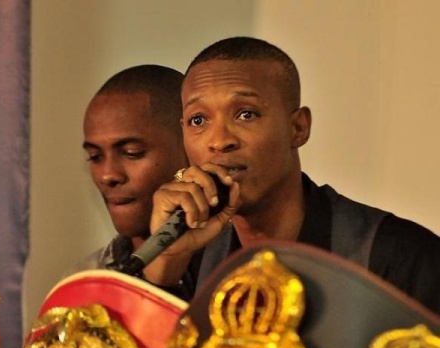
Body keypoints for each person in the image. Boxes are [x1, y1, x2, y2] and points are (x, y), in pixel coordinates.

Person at [141, 36, 440, 313]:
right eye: (198, 120)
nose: (219, 141)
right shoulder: (193, 255)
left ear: (298, 128)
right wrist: (166, 262)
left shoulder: (398, 257)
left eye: (246, 114)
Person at [70, 64, 189, 292]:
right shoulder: (83, 284)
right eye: (95, 157)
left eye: (131, 153)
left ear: (189, 149)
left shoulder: (239, 275)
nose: (107, 175)